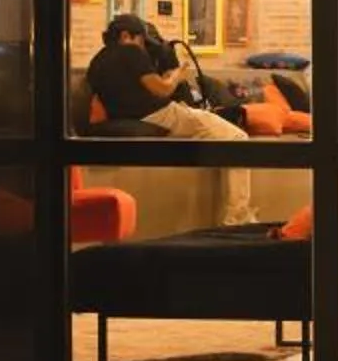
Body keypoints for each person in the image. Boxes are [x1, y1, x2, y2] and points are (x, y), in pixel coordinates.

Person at [85, 14, 256, 225]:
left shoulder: (96, 62)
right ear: (126, 35)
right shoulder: (130, 52)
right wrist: (177, 74)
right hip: (161, 114)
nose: (143, 46)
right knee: (238, 138)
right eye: (142, 40)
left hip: (134, 117)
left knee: (215, 135)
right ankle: (237, 218)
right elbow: (162, 90)